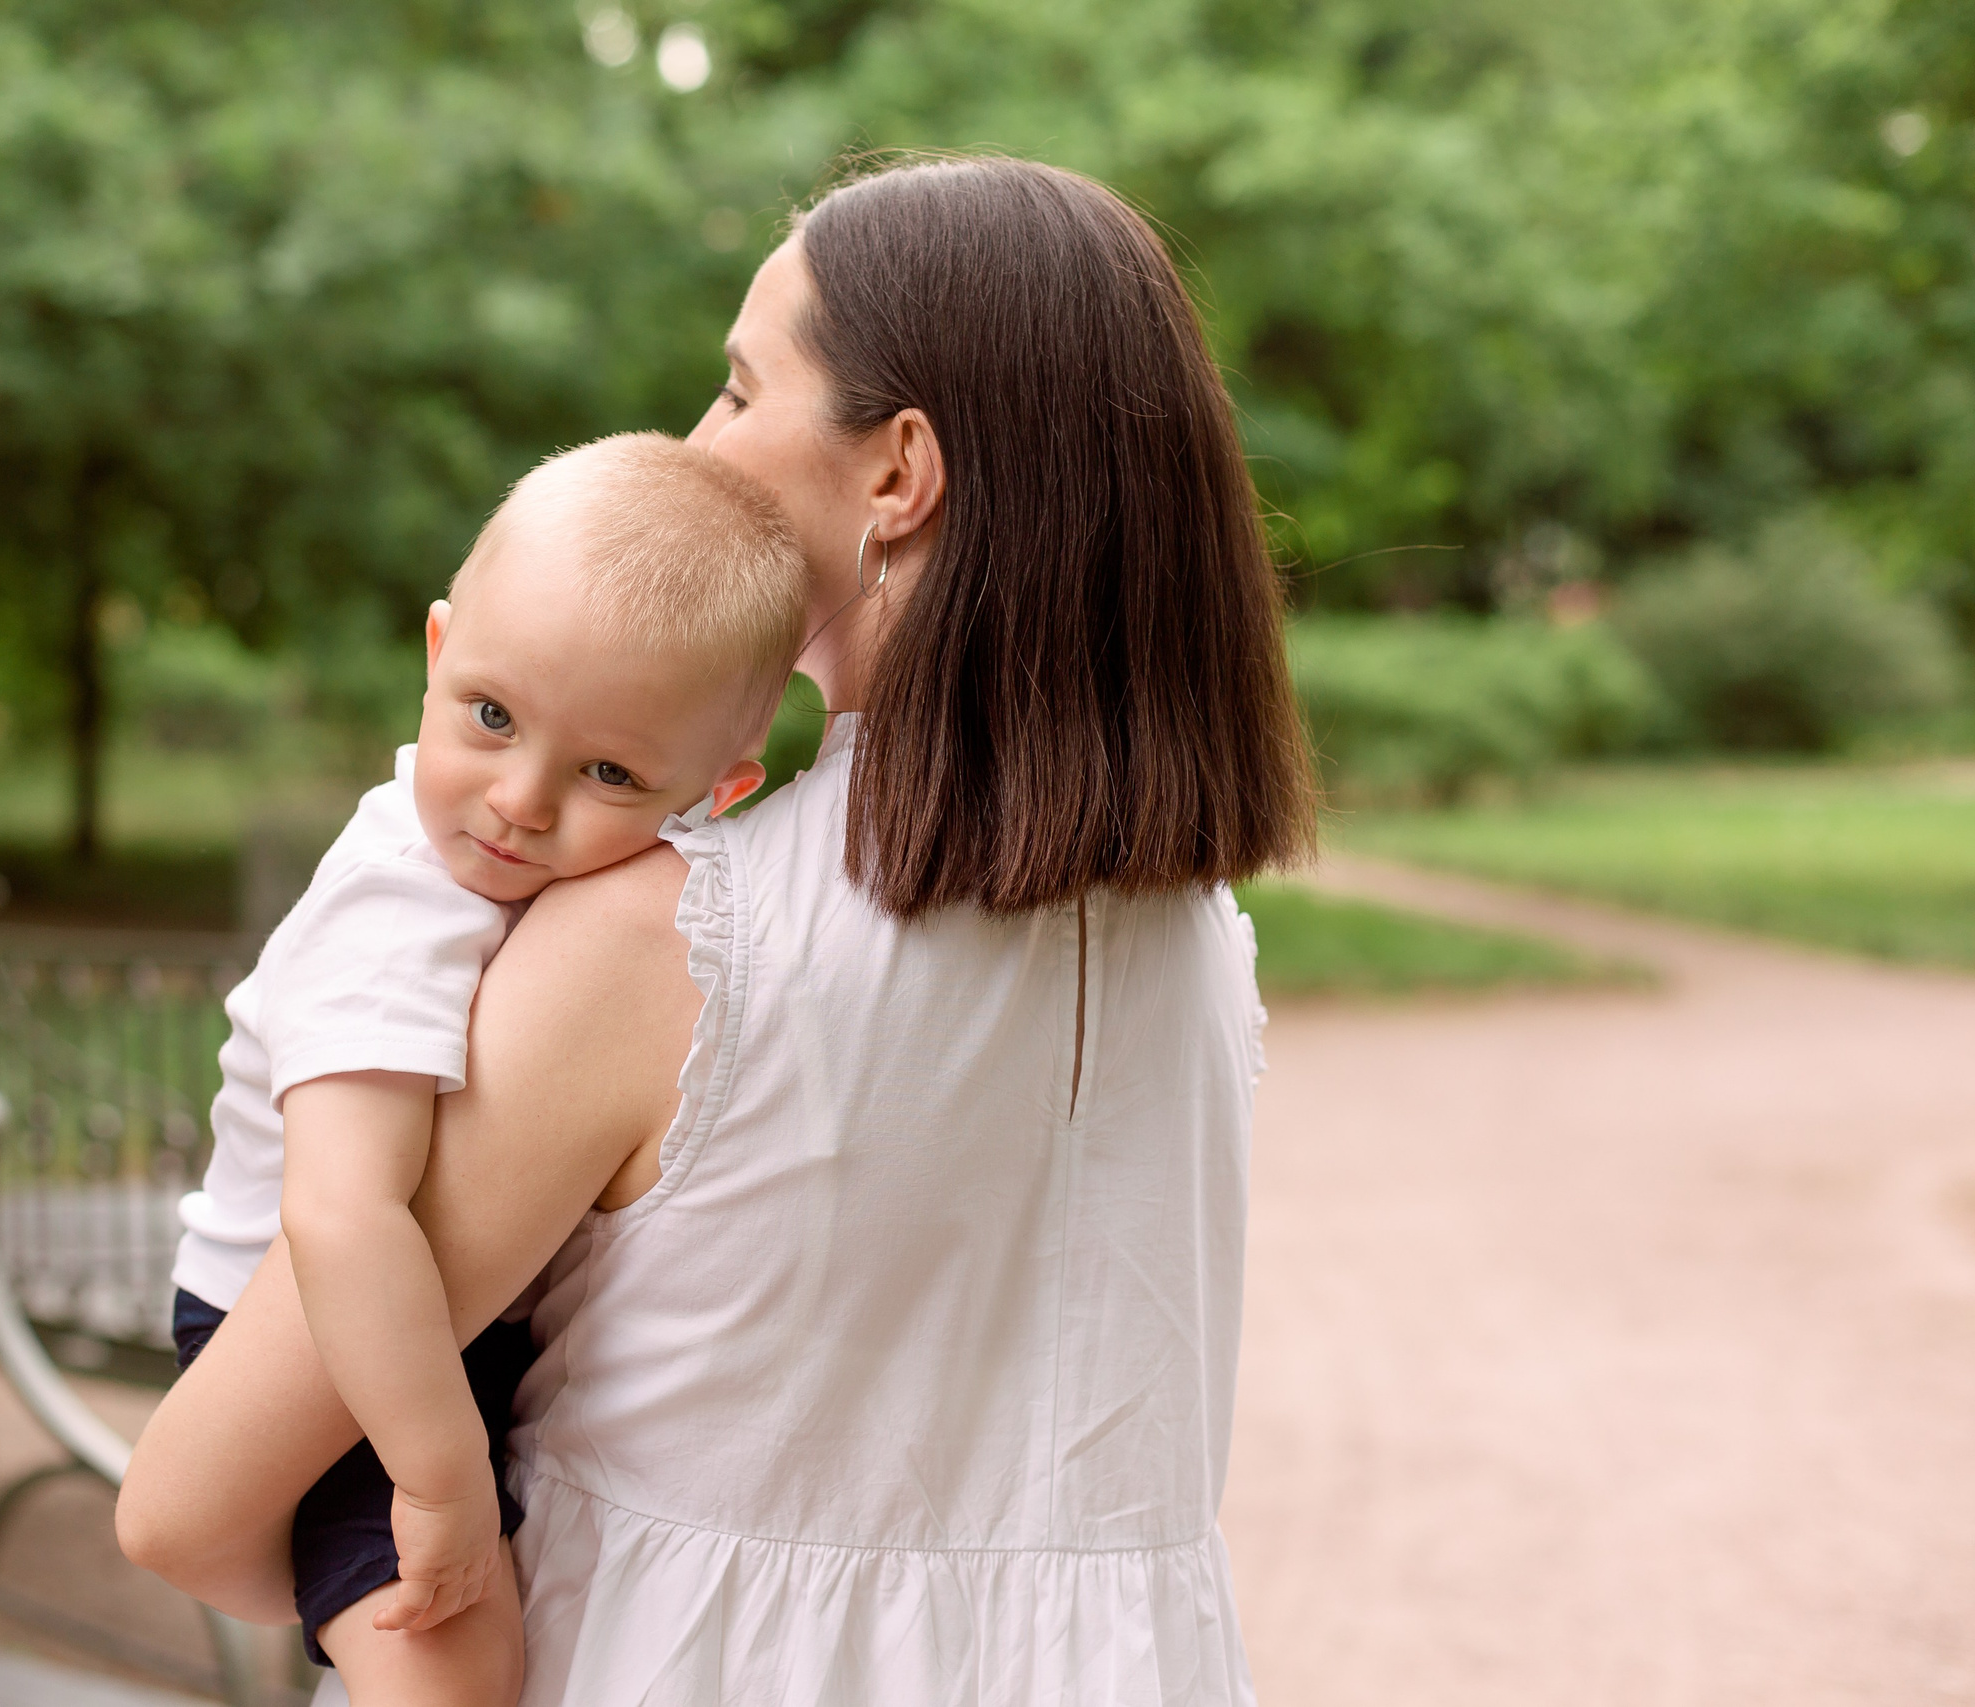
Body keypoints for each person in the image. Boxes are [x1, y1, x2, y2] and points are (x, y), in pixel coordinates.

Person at [119, 154, 1318, 1706]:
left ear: (899, 471)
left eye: (738, 389)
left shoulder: (671, 946)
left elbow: (188, 1500)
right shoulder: (1201, 941)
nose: (697, 444)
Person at [166, 431, 808, 1705]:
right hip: (326, 1339)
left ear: (719, 794)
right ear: (437, 652)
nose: (518, 799)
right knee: (450, 1677)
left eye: (609, 773)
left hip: (460, 1319)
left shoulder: (632, 900)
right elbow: (341, 1213)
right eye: (492, 716)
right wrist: (436, 1468)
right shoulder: (394, 909)